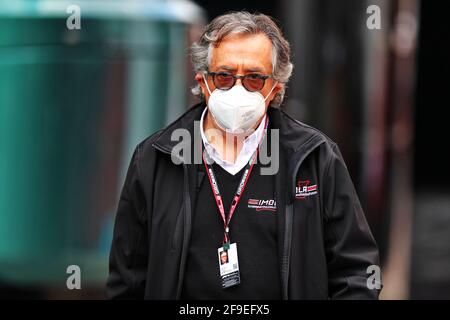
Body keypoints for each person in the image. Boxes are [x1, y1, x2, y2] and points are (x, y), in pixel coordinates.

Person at [106, 11, 381, 300]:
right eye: (224, 76)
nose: (237, 88)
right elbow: (127, 281)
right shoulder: (155, 159)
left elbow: (357, 273)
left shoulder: (315, 158)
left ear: (275, 87)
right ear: (203, 82)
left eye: (253, 78)